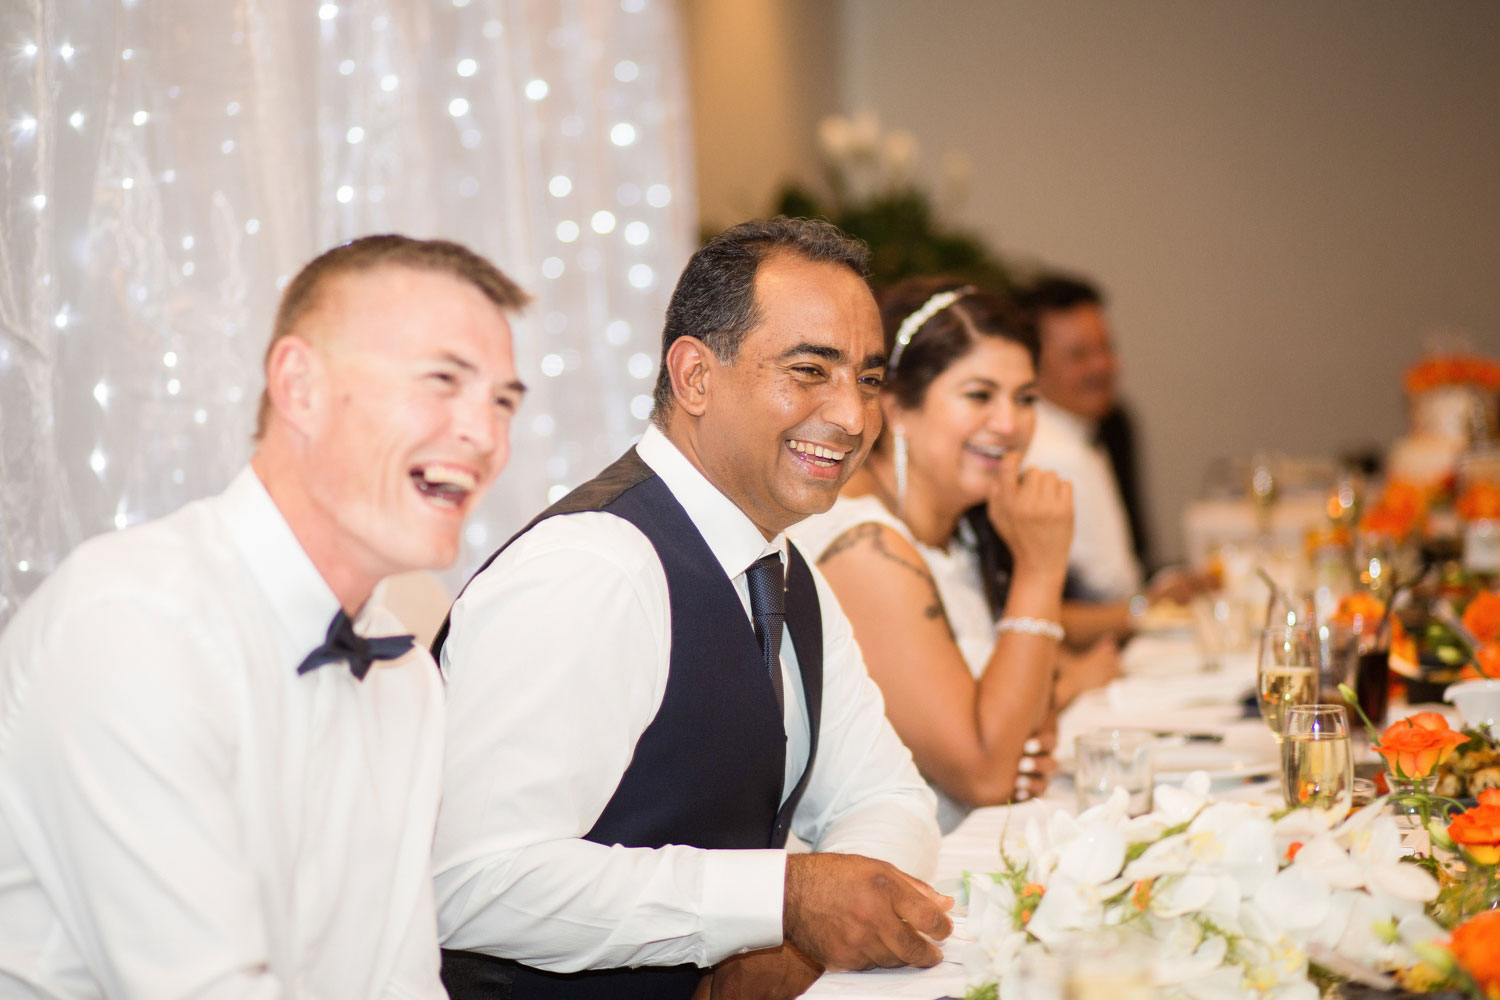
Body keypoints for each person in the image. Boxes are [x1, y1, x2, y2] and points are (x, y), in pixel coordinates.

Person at [432, 217, 951, 1000]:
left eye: (869, 379)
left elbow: (886, 795)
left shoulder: (782, 567)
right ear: (695, 377)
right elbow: (475, 882)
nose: (852, 416)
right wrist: (778, 903)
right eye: (811, 370)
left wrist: (818, 925)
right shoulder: (593, 569)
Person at [0, 235, 528, 997]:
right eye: (443, 380)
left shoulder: (404, 674)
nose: (487, 436)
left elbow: (400, 980)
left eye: (502, 402)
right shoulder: (136, 625)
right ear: (299, 386)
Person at [791, 278, 1120, 833]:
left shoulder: (963, 531)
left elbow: (1006, 715)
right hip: (891, 874)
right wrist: (1041, 569)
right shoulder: (862, 546)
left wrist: (1037, 712)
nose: (1010, 425)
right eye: (978, 395)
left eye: (1025, 398)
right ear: (897, 410)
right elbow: (987, 775)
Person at [1017, 274, 1201, 640]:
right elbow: (1108, 587)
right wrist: (1149, 604)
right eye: (1079, 355)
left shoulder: (1097, 429)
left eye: (1107, 349)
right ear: (1031, 365)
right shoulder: (1057, 454)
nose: (1102, 366)